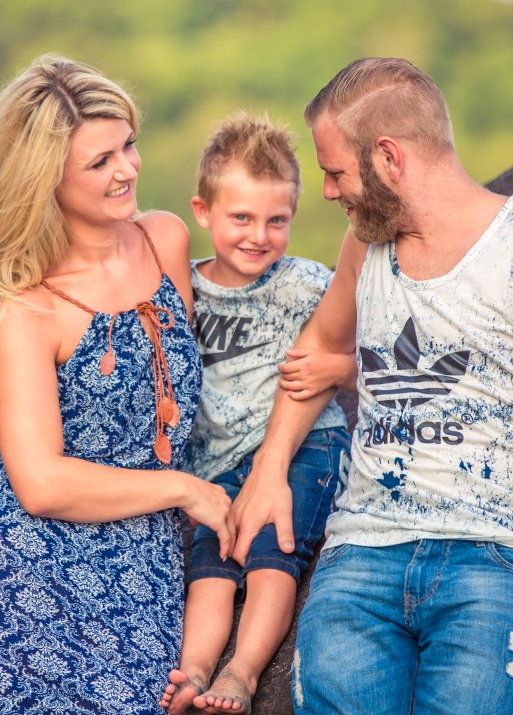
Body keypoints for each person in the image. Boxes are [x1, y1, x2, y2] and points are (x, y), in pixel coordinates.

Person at [229, 58, 513, 714]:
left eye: (337, 172)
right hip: (360, 558)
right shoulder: (362, 248)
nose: (330, 192)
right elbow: (318, 346)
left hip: (499, 563)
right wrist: (269, 467)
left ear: (388, 158)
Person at [0, 54, 236, 715]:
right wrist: (185, 489)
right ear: (45, 181)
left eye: (127, 145)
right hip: (31, 567)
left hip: (142, 556)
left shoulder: (165, 241)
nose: (127, 169)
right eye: (99, 162)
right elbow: (39, 482)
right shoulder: (24, 303)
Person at [158, 113, 354, 714]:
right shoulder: (182, 289)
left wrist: (341, 370)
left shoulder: (306, 284)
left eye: (277, 220)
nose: (259, 236)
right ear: (203, 211)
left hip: (305, 447)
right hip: (217, 462)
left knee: (272, 549)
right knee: (212, 565)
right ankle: (192, 670)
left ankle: (240, 674)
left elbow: (374, 351)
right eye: (241, 217)